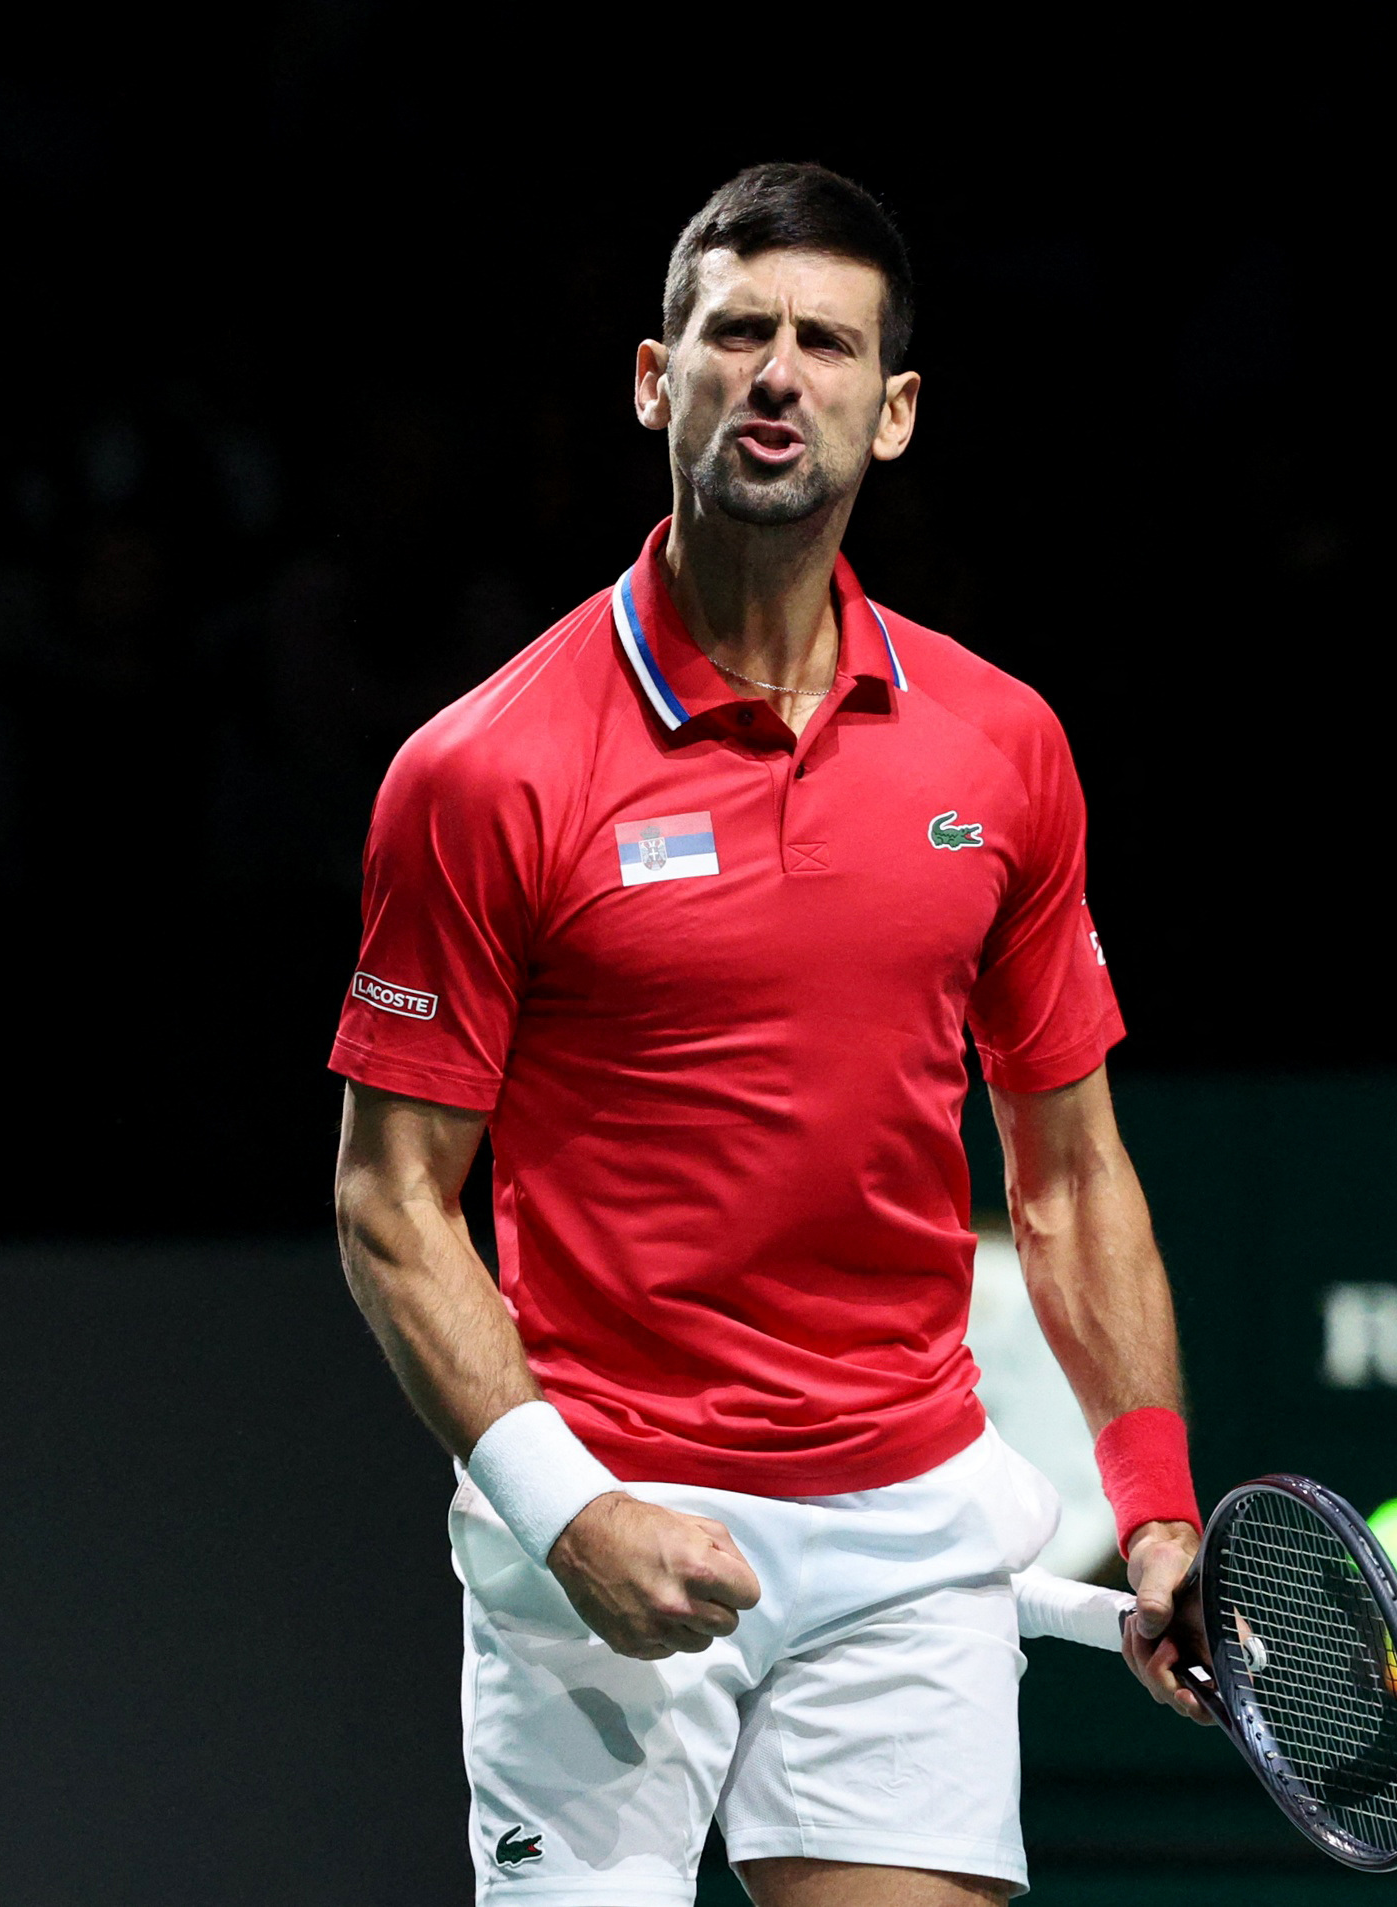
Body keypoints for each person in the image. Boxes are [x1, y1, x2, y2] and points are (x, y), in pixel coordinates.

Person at [328, 164, 1207, 1907]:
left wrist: (1158, 1497)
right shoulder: (481, 769)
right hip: (597, 1503)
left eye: (823, 342)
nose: (776, 372)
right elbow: (388, 1204)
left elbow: (1070, 1170)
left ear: (891, 417)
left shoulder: (1001, 748)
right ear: (657, 381)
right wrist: (563, 1511)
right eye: (736, 332)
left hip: (906, 1521)